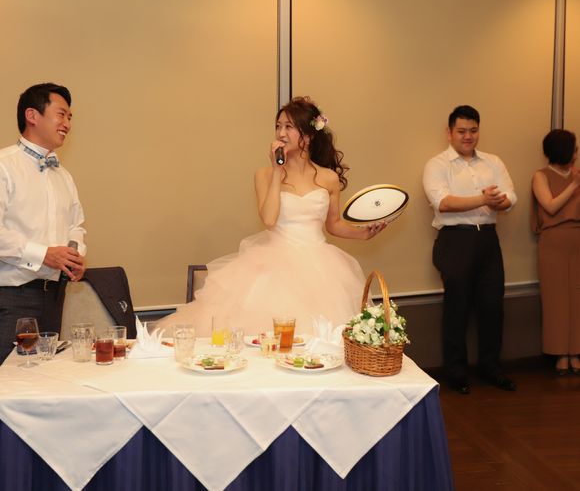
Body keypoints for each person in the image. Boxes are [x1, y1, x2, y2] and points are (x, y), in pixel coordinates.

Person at [156, 96, 386, 336]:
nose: (281, 133)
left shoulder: (328, 178)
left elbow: (334, 224)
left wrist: (363, 234)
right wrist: (277, 170)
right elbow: (269, 219)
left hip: (321, 267)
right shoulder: (264, 175)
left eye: (288, 126)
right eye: (278, 126)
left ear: (308, 135)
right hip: (274, 264)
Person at [423, 105, 517, 394]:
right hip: (455, 239)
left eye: (473, 131)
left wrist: (499, 201)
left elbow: (510, 197)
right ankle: (456, 372)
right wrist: (483, 199)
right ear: (449, 133)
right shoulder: (437, 165)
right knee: (457, 308)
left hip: (488, 239)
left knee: (492, 307)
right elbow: (443, 202)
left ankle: (491, 367)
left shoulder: (492, 161)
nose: (468, 136)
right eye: (462, 131)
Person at [0, 83, 86, 364]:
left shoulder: (64, 176)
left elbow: (76, 225)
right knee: (9, 380)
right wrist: (44, 254)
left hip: (54, 296)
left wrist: (74, 254)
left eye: (70, 117)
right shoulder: (4, 165)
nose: (67, 124)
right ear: (32, 115)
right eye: (61, 114)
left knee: (46, 378)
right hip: (11, 297)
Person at [531, 129, 580, 375]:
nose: (576, 153)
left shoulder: (576, 174)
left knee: (578, 297)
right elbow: (550, 206)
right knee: (557, 299)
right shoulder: (541, 176)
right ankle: (561, 353)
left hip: (577, 239)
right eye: (574, 148)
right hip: (553, 242)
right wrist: (574, 185)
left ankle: (576, 352)